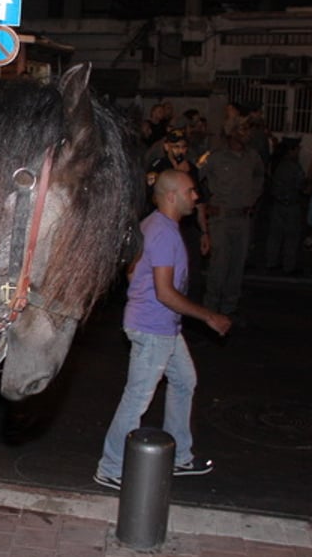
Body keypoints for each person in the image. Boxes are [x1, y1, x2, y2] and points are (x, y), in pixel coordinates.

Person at [93, 170, 231, 490]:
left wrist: (141, 294)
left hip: (159, 325)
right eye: (190, 191)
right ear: (172, 196)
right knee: (138, 397)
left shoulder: (152, 225)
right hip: (154, 328)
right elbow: (165, 293)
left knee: (184, 381)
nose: (196, 197)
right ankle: (111, 466)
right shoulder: (164, 233)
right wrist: (209, 317)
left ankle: (180, 455)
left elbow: (131, 271)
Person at [198, 117, 264, 320]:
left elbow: (259, 176)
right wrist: (204, 205)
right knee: (219, 265)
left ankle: (229, 308)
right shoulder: (215, 157)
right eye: (243, 129)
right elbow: (196, 178)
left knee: (237, 265)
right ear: (232, 132)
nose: (248, 133)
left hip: (242, 218)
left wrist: (252, 197)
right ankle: (210, 310)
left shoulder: (252, 156)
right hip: (221, 219)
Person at [145, 128, 210, 301]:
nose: (180, 151)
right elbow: (153, 197)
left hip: (187, 228)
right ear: (166, 147)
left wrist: (204, 232)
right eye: (175, 146)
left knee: (191, 273)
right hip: (164, 227)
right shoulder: (158, 167)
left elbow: (199, 202)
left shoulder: (191, 169)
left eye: (183, 147)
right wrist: (176, 175)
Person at [263, 136, 306, 274]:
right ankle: (288, 265)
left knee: (275, 236)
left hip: (277, 204)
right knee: (291, 237)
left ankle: (271, 262)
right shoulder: (293, 166)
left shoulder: (276, 164)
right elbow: (301, 185)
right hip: (291, 204)